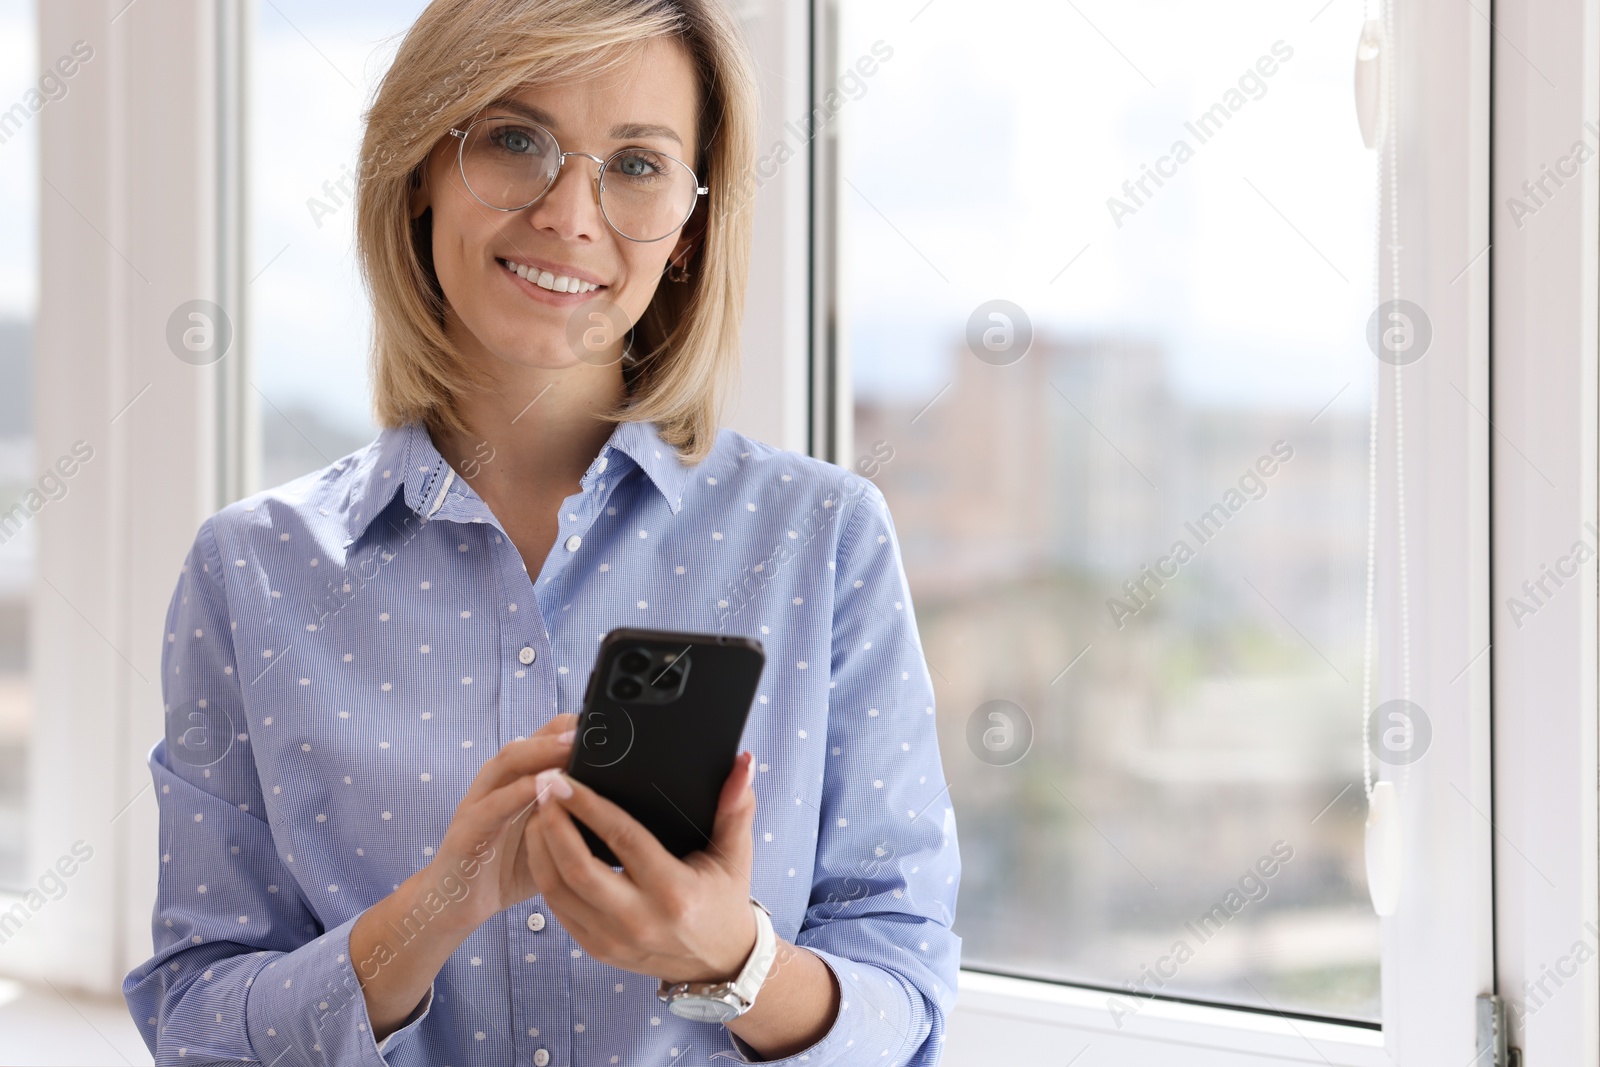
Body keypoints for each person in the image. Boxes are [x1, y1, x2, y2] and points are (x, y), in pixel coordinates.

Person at [121, 1, 961, 1064]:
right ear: (423, 166)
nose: (571, 212)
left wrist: (727, 955)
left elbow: (906, 988)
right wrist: (436, 907)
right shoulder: (248, 569)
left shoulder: (822, 536)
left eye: (638, 164)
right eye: (516, 140)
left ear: (690, 229)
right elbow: (195, 1017)